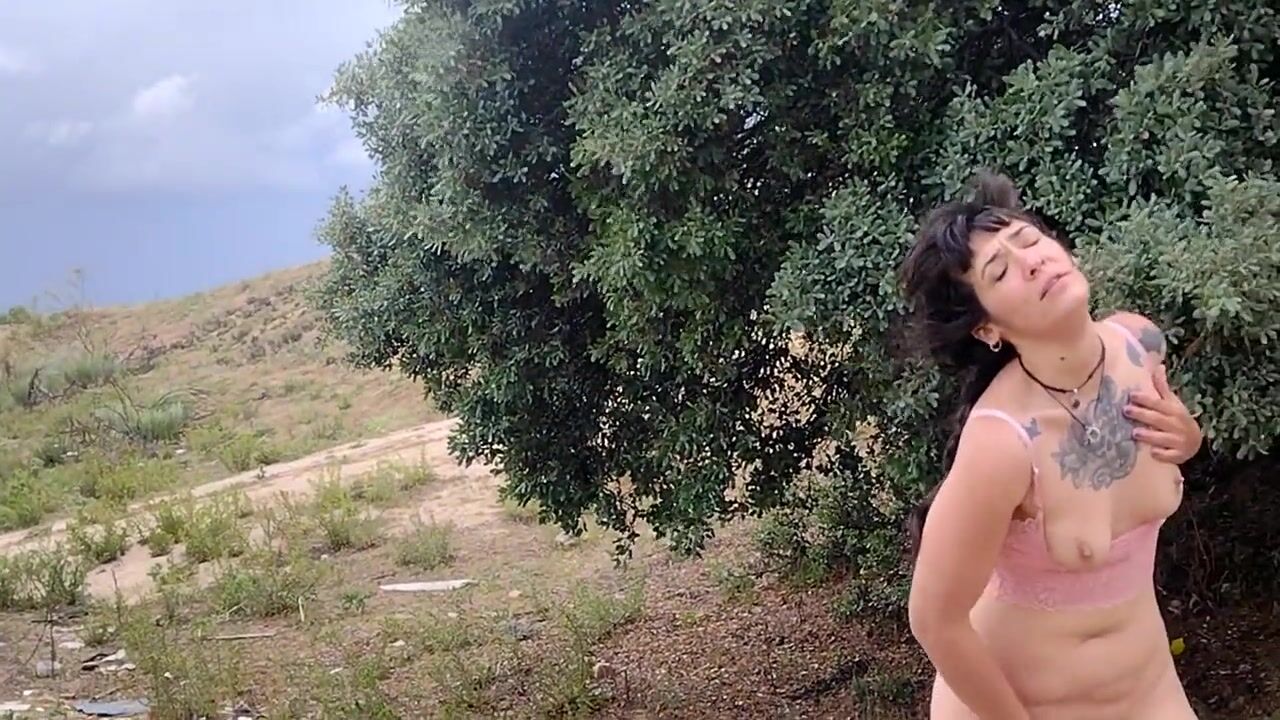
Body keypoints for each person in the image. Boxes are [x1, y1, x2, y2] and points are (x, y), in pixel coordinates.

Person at [900, 171, 1204, 719]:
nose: (1032, 261)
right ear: (987, 329)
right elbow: (933, 619)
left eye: (1029, 239)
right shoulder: (1002, 443)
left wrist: (1189, 437)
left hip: (1151, 693)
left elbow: (1162, 447)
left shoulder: (1141, 344)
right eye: (1000, 271)